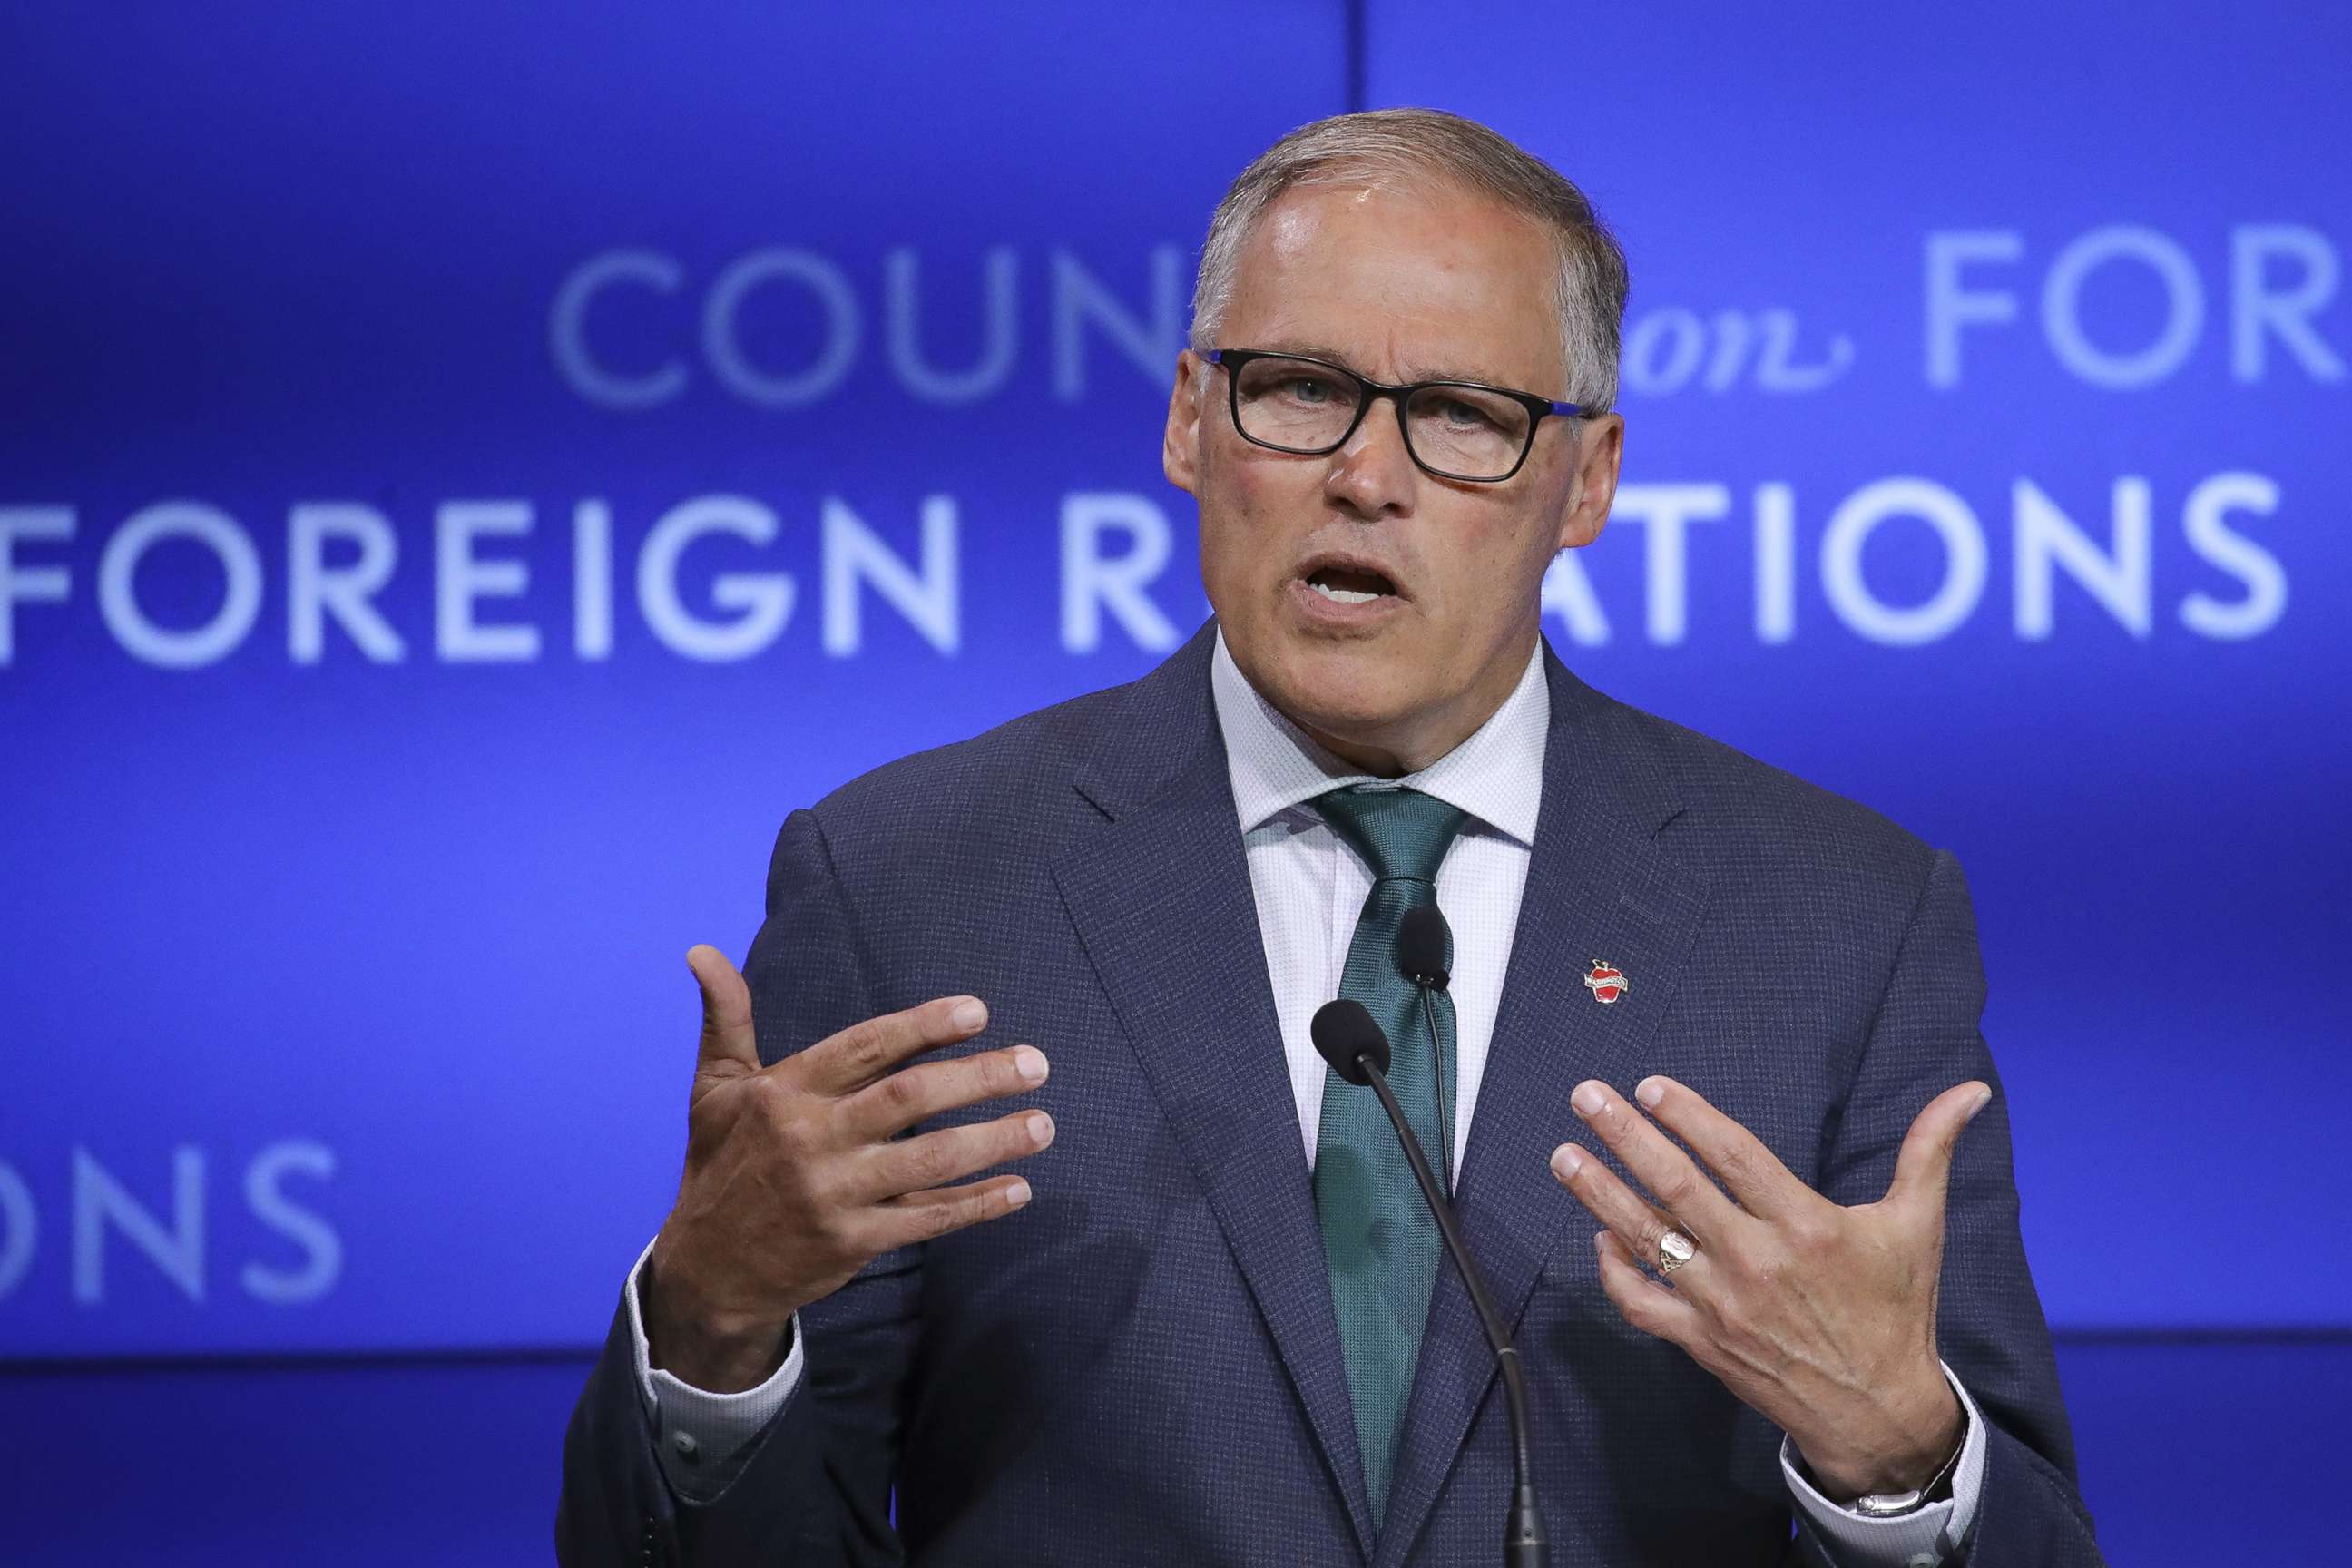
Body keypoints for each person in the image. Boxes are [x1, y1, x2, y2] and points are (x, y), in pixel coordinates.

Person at [557, 107, 2102, 1566]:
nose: (1367, 477)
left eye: (1460, 416)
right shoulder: (913, 882)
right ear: (1188, 421)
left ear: (1588, 480)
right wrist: (711, 1324)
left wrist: (1896, 1455)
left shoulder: (1839, 920)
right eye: (1299, 389)